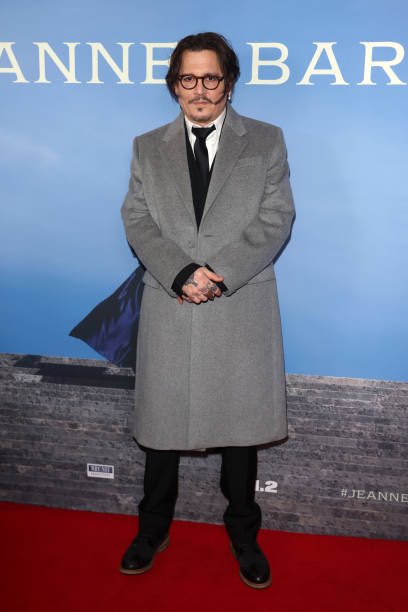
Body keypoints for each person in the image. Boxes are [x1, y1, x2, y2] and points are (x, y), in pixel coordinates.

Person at [119, 32, 295, 589]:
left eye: (211, 78)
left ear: (229, 80)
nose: (200, 90)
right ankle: (152, 529)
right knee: (162, 426)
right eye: (188, 79)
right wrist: (179, 273)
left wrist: (216, 275)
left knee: (241, 431)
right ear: (174, 85)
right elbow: (137, 219)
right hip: (171, 301)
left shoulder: (266, 141)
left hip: (238, 302)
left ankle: (245, 535)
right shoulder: (147, 146)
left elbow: (277, 217)